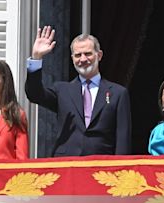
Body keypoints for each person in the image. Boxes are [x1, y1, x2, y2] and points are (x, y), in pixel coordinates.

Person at [25, 26, 132, 157]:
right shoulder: (62, 90)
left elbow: (123, 138)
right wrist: (36, 58)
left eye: (87, 54)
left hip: (102, 166)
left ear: (99, 55)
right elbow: (34, 94)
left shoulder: (118, 93)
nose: (82, 59)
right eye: (78, 55)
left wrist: (119, 169)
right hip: (67, 165)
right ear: (72, 58)